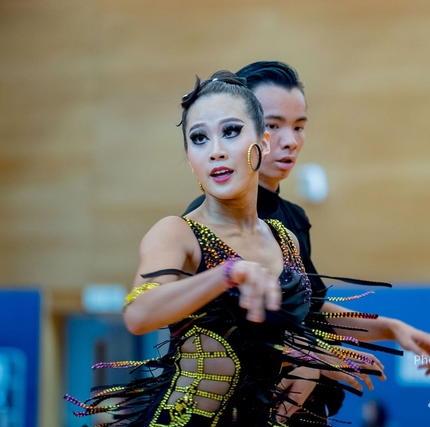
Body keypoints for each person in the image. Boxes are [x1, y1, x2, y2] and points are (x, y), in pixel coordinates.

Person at [65, 70, 386, 427]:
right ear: (189, 157)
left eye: (230, 131)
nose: (216, 151)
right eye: (199, 138)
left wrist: (319, 358)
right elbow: (139, 314)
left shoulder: (285, 240)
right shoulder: (176, 233)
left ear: (262, 142)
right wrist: (227, 274)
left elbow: (277, 336)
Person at [184, 61, 430, 424]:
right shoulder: (207, 221)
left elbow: (312, 309)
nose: (290, 140)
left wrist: (391, 329)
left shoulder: (292, 220)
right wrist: (310, 357)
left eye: (299, 127)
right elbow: (224, 332)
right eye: (273, 125)